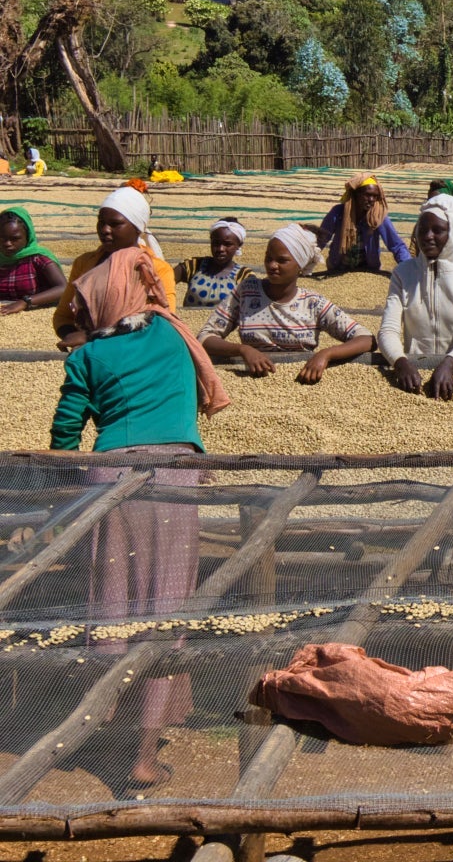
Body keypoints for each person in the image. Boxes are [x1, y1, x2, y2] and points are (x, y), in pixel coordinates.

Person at [50, 246, 228, 792]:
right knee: (164, 609)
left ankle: (108, 725)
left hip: (110, 482)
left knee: (113, 604)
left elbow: (63, 435)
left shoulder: (85, 358)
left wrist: (60, 498)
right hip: (174, 481)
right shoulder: (175, 336)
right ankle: (143, 754)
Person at [199, 224, 375, 384]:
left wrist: (326, 354)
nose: (272, 265)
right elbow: (206, 337)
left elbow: (366, 339)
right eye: (269, 258)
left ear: (300, 264)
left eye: (282, 260)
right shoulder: (247, 291)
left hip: (302, 383)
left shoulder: (313, 303)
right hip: (248, 380)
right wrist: (242, 350)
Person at [378, 194, 453, 400]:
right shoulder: (403, 273)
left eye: (438, 230)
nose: (428, 236)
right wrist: (401, 363)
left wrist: (449, 365)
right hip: (415, 372)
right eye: (423, 230)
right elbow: (387, 331)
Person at [54, 187, 176, 347]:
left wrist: (92, 338)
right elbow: (62, 316)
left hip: (136, 351)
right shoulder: (84, 263)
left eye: (115, 224)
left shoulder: (156, 269)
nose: (105, 230)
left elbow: (164, 321)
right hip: (88, 354)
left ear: (137, 228)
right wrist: (74, 337)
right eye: (101, 222)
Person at [316, 175, 410, 275]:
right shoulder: (339, 213)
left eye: (375, 196)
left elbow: (396, 245)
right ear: (356, 194)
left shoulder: (377, 216)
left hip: (368, 270)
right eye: (367, 195)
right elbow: (320, 240)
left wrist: (409, 267)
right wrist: (302, 263)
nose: (371, 199)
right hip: (338, 267)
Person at [174, 218, 253, 309]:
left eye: (227, 244)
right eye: (216, 243)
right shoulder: (194, 266)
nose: (220, 249)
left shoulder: (244, 275)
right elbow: (164, 283)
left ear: (239, 245)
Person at [0, 205, 66, 314]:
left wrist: (25, 302)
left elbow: (63, 288)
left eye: (15, 238)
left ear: (28, 236)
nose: (7, 244)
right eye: (2, 238)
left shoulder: (38, 258)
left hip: (35, 312)